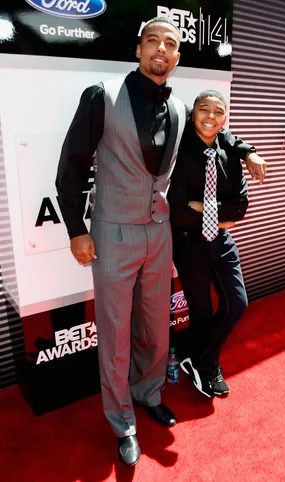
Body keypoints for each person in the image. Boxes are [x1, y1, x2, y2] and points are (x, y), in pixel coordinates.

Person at [56, 17, 266, 466]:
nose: (161, 50)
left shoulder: (178, 109)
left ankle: (149, 393)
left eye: (170, 44)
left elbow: (217, 132)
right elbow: (72, 163)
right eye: (153, 41)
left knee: (155, 326)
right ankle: (122, 421)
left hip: (159, 233)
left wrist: (246, 149)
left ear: (177, 57)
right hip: (112, 231)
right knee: (114, 332)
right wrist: (76, 228)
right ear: (138, 49)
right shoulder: (102, 96)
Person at [168, 89, 254, 399]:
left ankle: (201, 359)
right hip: (190, 245)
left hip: (222, 241)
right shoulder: (179, 152)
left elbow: (240, 208)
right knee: (201, 312)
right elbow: (177, 211)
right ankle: (208, 367)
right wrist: (219, 211)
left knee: (237, 303)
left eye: (218, 112)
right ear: (194, 115)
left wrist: (202, 206)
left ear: (224, 119)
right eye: (204, 110)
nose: (211, 117)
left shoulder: (230, 153)